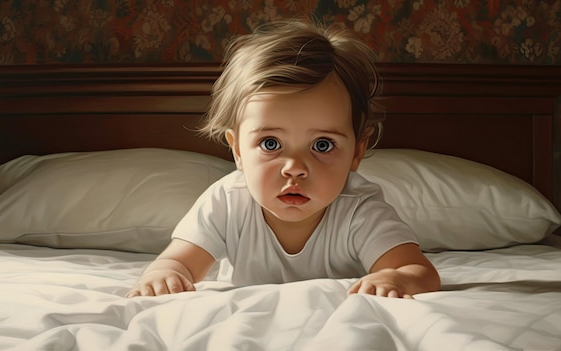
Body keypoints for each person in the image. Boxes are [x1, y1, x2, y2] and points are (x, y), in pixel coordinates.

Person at [126, 19, 440, 299]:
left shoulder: (359, 210)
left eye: (322, 145)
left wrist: (395, 277)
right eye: (271, 142)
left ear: (356, 152)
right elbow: (177, 261)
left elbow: (418, 270)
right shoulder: (227, 202)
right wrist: (165, 274)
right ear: (237, 150)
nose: (295, 168)